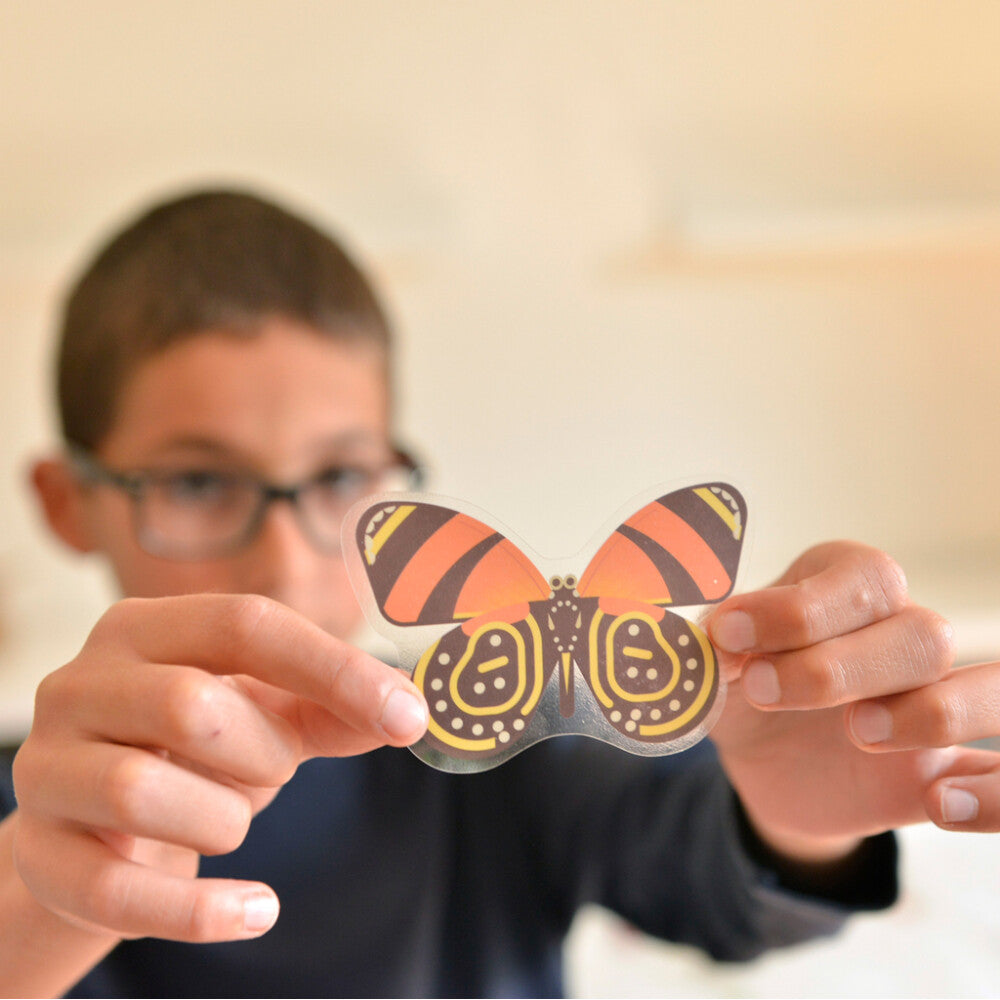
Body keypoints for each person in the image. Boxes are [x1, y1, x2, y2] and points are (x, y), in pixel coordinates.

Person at [0, 188, 994, 998]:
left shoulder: (503, 741)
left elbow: (708, 879)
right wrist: (36, 913)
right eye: (196, 483)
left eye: (340, 476)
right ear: (65, 502)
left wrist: (798, 820)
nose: (282, 566)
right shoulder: (31, 814)